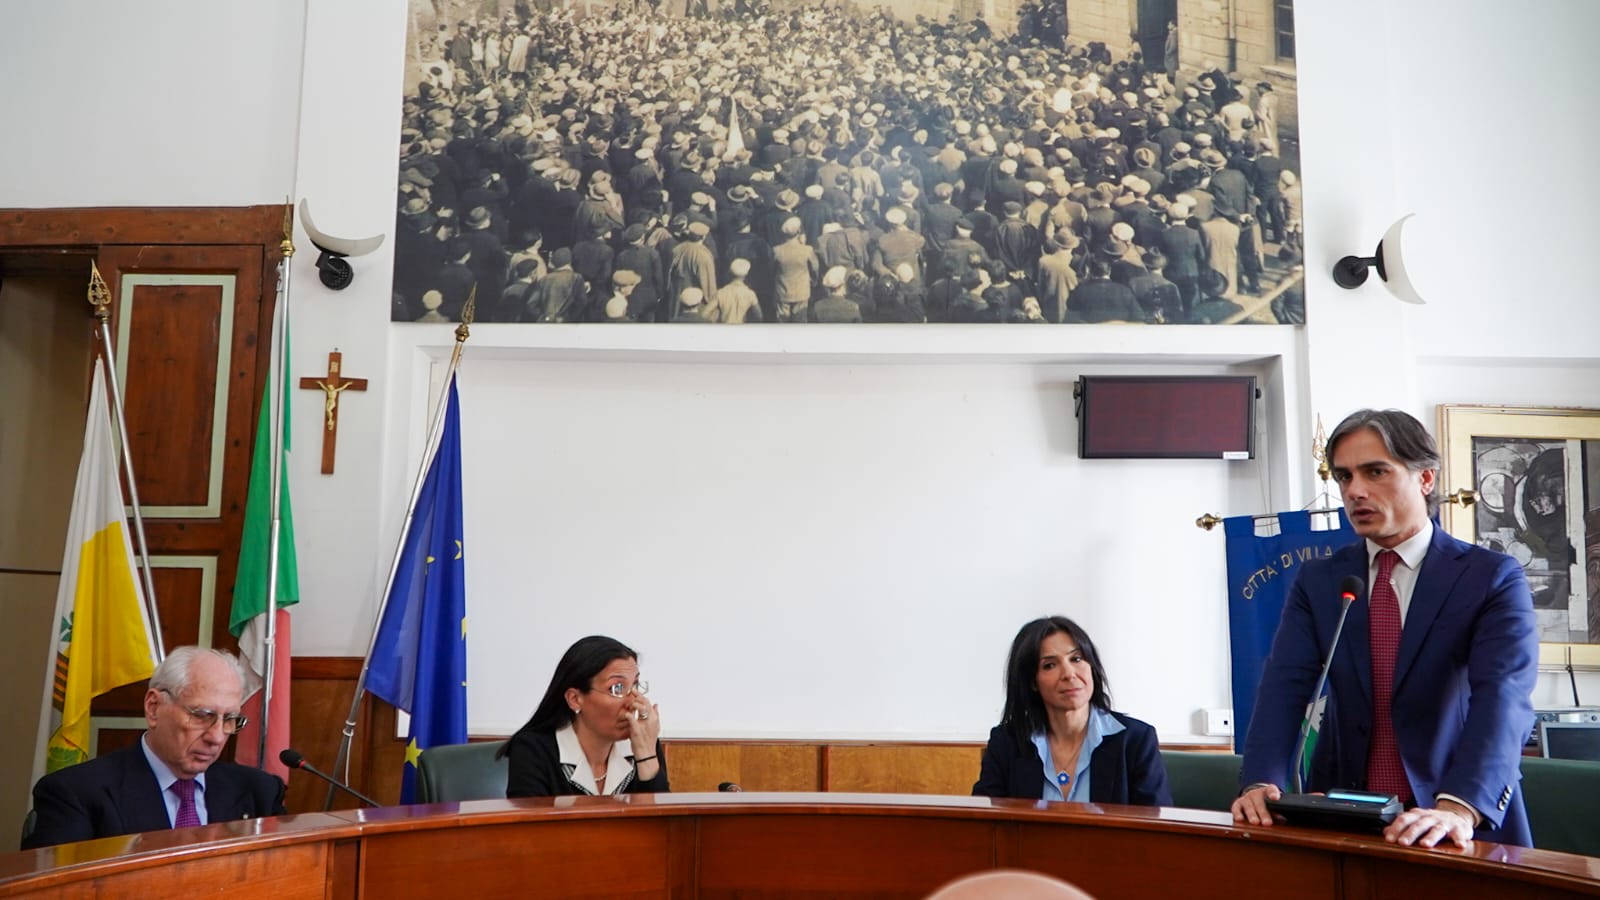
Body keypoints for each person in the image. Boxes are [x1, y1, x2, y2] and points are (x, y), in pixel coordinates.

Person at [1232, 409, 1538, 849]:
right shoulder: (1320, 581)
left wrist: (1458, 806)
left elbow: (1504, 696)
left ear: (1426, 478)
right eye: (1344, 477)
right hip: (1342, 813)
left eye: (1375, 472)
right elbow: (1283, 687)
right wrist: (1261, 780)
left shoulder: (1490, 577)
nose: (1355, 491)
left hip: (1451, 813)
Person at [22, 647, 286, 850]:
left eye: (229, 719)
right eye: (202, 715)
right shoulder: (76, 794)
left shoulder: (259, 791)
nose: (216, 737)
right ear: (153, 708)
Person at [973, 617, 1171, 806]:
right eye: (1050, 665)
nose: (1069, 674)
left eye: (1076, 659)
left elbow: (1157, 831)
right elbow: (985, 825)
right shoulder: (1007, 742)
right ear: (1032, 681)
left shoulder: (1136, 740)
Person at [503, 635, 668, 798]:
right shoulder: (533, 749)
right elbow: (531, 824)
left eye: (635, 685)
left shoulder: (644, 742)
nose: (633, 702)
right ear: (575, 699)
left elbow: (662, 822)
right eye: (617, 688)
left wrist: (646, 755)